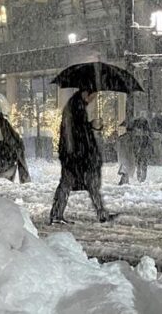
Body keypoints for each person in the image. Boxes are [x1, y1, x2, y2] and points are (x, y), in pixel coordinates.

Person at [49, 89, 115, 224]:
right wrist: (90, 127)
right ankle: (57, 214)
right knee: (74, 183)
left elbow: (78, 129)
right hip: (77, 155)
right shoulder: (76, 106)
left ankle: (100, 213)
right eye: (93, 96)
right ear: (86, 93)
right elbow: (76, 131)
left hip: (76, 155)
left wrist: (89, 125)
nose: (93, 99)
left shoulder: (76, 106)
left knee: (84, 184)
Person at [0, 108, 30, 193]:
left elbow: (11, 133)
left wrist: (17, 142)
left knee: (0, 166)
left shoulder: (4, 122)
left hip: (2, 147)